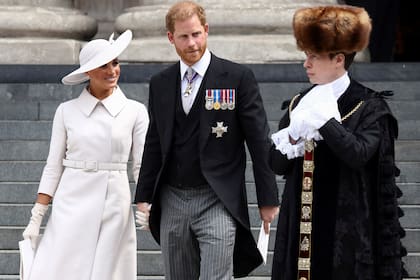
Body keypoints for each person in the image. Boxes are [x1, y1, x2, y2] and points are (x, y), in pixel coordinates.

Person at [133, 1, 279, 279]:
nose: (192, 43)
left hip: (218, 199)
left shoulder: (238, 78)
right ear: (170, 38)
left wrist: (267, 198)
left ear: (207, 30)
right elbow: (155, 141)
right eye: (184, 36)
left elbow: (260, 142)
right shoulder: (160, 83)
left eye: (197, 34)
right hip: (172, 199)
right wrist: (144, 195)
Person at [269, 5, 407, 280]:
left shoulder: (369, 106)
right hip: (301, 230)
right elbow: (277, 163)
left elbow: (358, 153)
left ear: (338, 59)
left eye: (314, 57)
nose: (305, 64)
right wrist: (294, 133)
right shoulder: (300, 103)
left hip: (348, 234)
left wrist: (325, 121)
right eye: (306, 56)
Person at [21, 30, 149, 280]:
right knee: (59, 269)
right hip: (71, 197)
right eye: (103, 65)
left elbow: (141, 166)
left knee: (108, 273)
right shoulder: (66, 111)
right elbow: (53, 166)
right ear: (88, 72)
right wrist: (37, 216)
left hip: (115, 201)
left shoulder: (135, 111)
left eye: (115, 63)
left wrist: (145, 203)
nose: (112, 71)